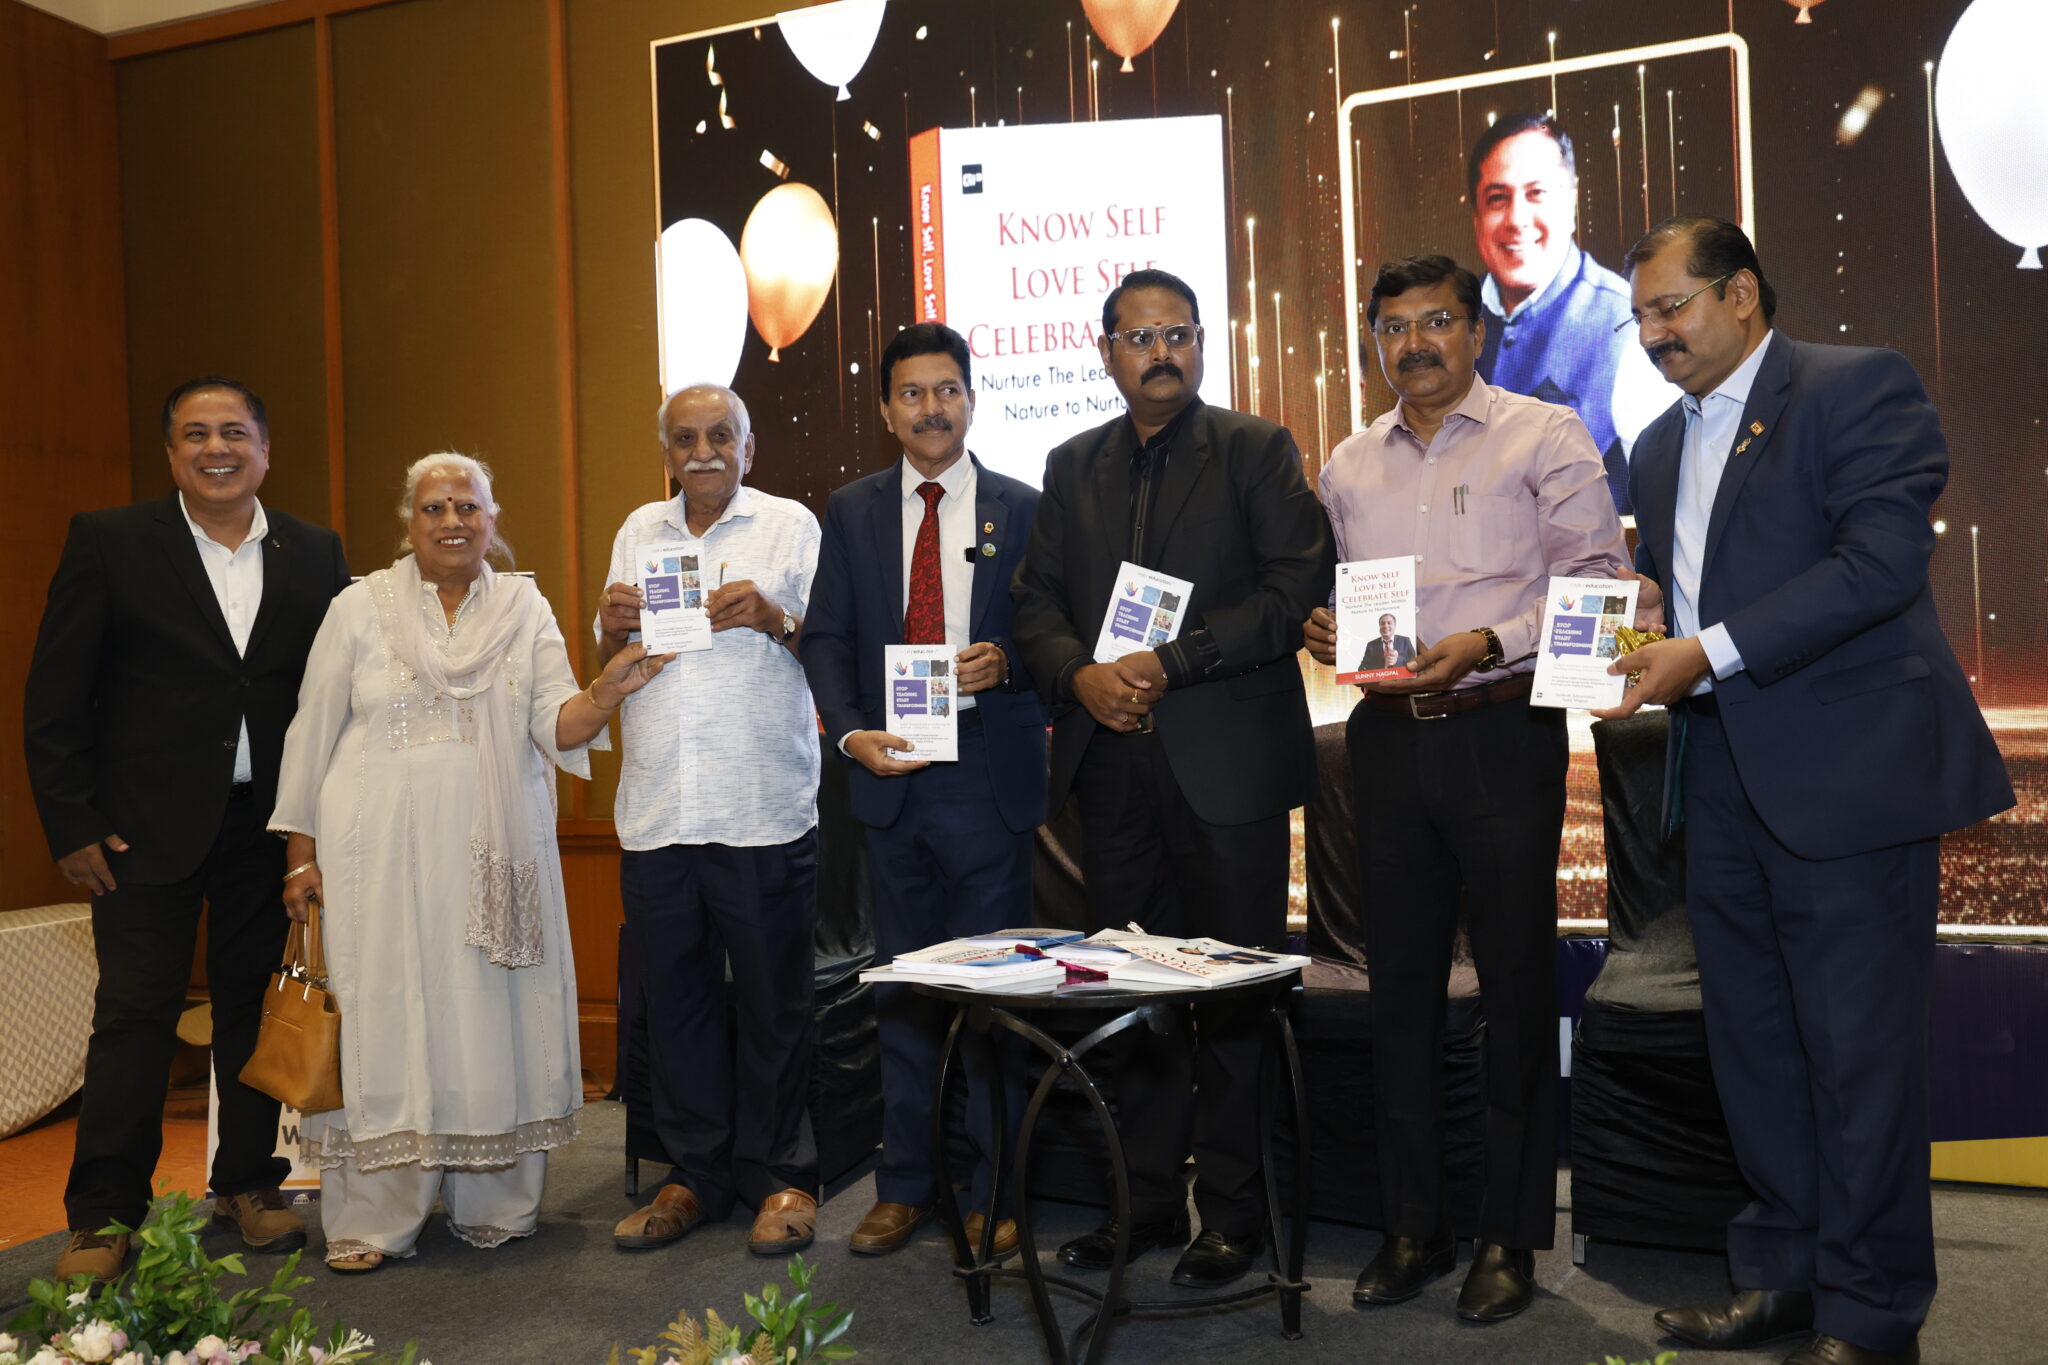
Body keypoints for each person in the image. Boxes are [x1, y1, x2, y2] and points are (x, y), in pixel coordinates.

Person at [1598, 217, 2013, 1365]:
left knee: (1857, 1059)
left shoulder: (1854, 387)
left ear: (1739, 293)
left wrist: (1705, 649)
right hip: (1716, 774)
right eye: (1638, 318)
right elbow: (1677, 588)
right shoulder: (1653, 445)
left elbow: (1875, 566)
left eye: (1670, 307)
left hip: (1847, 776)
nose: (1652, 334)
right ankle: (1780, 1277)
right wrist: (1641, 625)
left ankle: (1869, 1315)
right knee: (1754, 1049)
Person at [1305, 254, 1641, 1323]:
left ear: (1476, 332)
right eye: (1393, 327)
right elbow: (1345, 600)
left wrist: (1489, 641)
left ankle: (1507, 1233)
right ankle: (1413, 1225)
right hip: (1385, 741)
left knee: (1514, 989)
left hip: (1502, 730)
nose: (1414, 344)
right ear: (1375, 342)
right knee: (1398, 990)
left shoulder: (1544, 435)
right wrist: (1325, 627)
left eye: (1436, 321)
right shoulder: (1347, 464)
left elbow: (1600, 587)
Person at [1011, 268, 1335, 1290]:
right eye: (1140, 337)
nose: (1161, 352)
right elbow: (1034, 605)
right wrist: (1082, 675)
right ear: (1106, 351)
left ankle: (1234, 1214)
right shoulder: (1070, 465)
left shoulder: (1254, 449)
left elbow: (1295, 590)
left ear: (1200, 344)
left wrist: (1170, 662)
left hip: (1226, 771)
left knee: (1232, 999)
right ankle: (1144, 1202)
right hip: (1112, 773)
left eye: (1178, 334)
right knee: (1134, 995)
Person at [267, 453, 660, 1272]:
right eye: (434, 507)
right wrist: (300, 857)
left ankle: (496, 1203)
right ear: (408, 522)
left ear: (492, 519)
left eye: (468, 507)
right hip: (374, 859)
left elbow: (556, 723)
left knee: (489, 1010)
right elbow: (312, 729)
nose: (452, 521)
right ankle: (374, 1218)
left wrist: (607, 690)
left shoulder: (524, 606)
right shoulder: (358, 607)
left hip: (493, 858)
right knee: (386, 1016)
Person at [24, 377, 351, 1282]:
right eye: (197, 434)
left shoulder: (315, 551)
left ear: (265, 449)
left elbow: (340, 691)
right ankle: (103, 1212)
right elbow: (55, 695)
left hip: (269, 828)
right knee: (134, 1014)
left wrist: (320, 829)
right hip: (137, 831)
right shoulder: (110, 540)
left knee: (253, 1009)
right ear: (171, 454)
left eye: (234, 432)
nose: (217, 448)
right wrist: (72, 821)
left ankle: (247, 1183)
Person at [799, 322, 1047, 1258]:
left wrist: (1008, 660)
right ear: (886, 408)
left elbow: (1057, 631)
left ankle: (995, 1188)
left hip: (987, 773)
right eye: (912, 392)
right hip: (890, 772)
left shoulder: (1025, 507)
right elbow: (825, 636)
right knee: (903, 991)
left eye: (947, 390)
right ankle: (905, 1184)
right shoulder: (852, 509)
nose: (931, 408)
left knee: (993, 995)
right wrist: (849, 732)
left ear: (972, 399)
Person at [598, 384, 825, 1258]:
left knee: (774, 1004)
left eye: (720, 436)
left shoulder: (791, 526)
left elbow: (829, 645)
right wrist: (610, 625)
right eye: (685, 438)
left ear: (748, 447)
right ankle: (693, 1172)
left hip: (760, 806)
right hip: (660, 809)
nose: (703, 452)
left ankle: (781, 1175)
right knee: (677, 1006)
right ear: (667, 453)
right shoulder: (637, 529)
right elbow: (613, 655)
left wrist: (774, 616)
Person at [1467, 113, 1669, 511]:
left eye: (1537, 193)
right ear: (1475, 216)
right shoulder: (1449, 321)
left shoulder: (1628, 326)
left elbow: (1672, 509)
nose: (1517, 220)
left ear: (1571, 200)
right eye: (1498, 198)